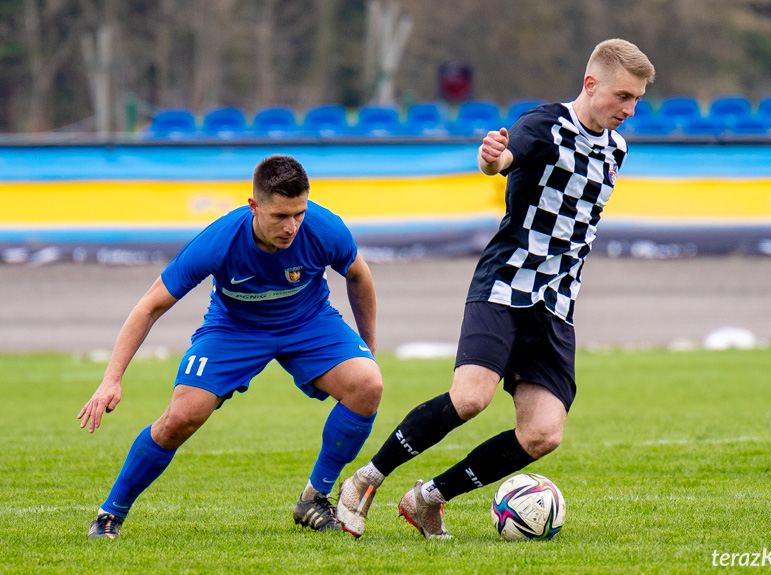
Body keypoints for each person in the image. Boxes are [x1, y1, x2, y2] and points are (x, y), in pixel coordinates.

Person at [336, 38, 655, 539]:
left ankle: (427, 499)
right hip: (507, 283)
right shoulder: (544, 125)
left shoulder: (617, 147)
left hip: (556, 303)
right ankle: (364, 481)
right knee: (470, 398)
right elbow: (506, 159)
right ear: (591, 84)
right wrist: (493, 159)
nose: (630, 109)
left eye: (636, 99)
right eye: (622, 96)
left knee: (543, 434)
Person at [78, 154, 382, 539]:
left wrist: (367, 350)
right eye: (280, 217)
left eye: (299, 213)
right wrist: (112, 379)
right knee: (181, 418)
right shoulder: (219, 240)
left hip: (308, 321)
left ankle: (314, 497)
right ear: (254, 206)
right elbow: (149, 306)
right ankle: (110, 514)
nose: (291, 227)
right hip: (235, 329)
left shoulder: (324, 228)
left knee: (368, 384)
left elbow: (359, 276)